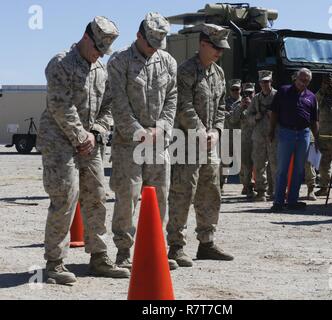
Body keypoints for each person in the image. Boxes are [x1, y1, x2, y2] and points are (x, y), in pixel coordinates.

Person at [37, 16, 129, 285]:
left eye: (103, 51)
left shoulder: (101, 70)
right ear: (86, 37)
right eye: (97, 48)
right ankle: (54, 262)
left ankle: (99, 257)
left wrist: (97, 132)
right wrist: (80, 135)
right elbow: (60, 105)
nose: (98, 54)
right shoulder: (61, 63)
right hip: (59, 142)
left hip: (89, 142)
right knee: (65, 196)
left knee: (97, 196)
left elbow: (109, 106)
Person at [107, 13, 178, 270]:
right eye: (150, 43)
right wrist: (137, 130)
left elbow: (172, 99)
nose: (154, 49)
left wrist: (162, 127)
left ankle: (155, 251)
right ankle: (124, 252)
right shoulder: (119, 62)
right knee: (128, 197)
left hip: (159, 142)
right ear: (138, 36)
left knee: (160, 198)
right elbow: (117, 102)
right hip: (129, 143)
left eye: (159, 44)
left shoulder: (168, 62)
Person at [167, 23, 234, 267]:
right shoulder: (186, 71)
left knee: (211, 192)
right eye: (216, 47)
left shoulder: (219, 73)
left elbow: (222, 108)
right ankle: (176, 247)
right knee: (183, 193)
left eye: (222, 48)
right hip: (186, 142)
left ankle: (207, 243)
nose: (220, 52)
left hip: (209, 144)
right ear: (203, 44)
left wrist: (216, 131)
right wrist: (201, 131)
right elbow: (182, 105)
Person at [269, 68, 319, 211]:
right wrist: (271, 131)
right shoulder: (283, 91)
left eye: (307, 81)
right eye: (301, 80)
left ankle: (292, 201)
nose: (303, 83)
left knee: (298, 170)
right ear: (295, 78)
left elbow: (315, 120)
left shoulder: (311, 97)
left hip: (304, 134)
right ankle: (278, 202)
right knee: (282, 169)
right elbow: (274, 113)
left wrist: (317, 138)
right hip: (286, 133)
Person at [248, 70, 277, 201]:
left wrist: (275, 117)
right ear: (259, 83)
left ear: (271, 82)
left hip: (274, 135)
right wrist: (256, 117)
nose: (265, 84)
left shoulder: (278, 96)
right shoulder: (255, 99)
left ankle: (276, 190)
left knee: (275, 164)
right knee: (259, 164)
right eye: (262, 82)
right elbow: (248, 117)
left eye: (267, 81)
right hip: (259, 136)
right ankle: (261, 191)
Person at [220, 79, 242, 191]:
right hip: (227, 135)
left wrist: (229, 114)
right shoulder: (224, 102)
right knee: (225, 162)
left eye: (237, 89)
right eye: (233, 89)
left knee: (243, 162)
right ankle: (221, 184)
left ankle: (247, 186)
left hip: (240, 135)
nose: (235, 91)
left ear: (240, 89)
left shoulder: (244, 102)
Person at [237, 83, 256, 198]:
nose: (248, 95)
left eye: (250, 92)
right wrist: (241, 107)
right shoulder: (239, 104)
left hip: (259, 137)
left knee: (259, 164)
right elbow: (232, 120)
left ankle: (261, 187)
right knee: (246, 164)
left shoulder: (258, 102)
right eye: (246, 93)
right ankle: (247, 186)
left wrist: (251, 107)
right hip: (245, 138)